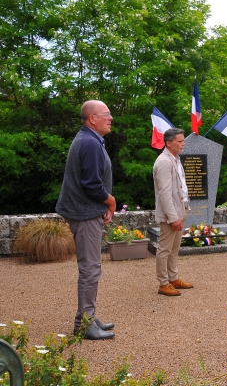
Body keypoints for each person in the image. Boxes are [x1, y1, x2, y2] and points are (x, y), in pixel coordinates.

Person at [56, 100, 116, 340]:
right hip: (84, 214)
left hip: (86, 211)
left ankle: (87, 315)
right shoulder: (90, 143)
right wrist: (110, 201)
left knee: (91, 268)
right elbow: (91, 184)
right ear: (92, 119)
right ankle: (85, 324)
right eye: (107, 114)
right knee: (91, 269)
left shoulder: (89, 140)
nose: (111, 118)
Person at [153, 128, 194, 296]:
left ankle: (173, 278)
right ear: (168, 143)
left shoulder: (175, 160)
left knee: (174, 249)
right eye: (180, 141)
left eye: (183, 140)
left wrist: (182, 212)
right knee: (164, 249)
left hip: (180, 211)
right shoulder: (164, 162)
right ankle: (163, 283)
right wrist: (173, 217)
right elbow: (164, 193)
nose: (183, 143)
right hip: (171, 215)